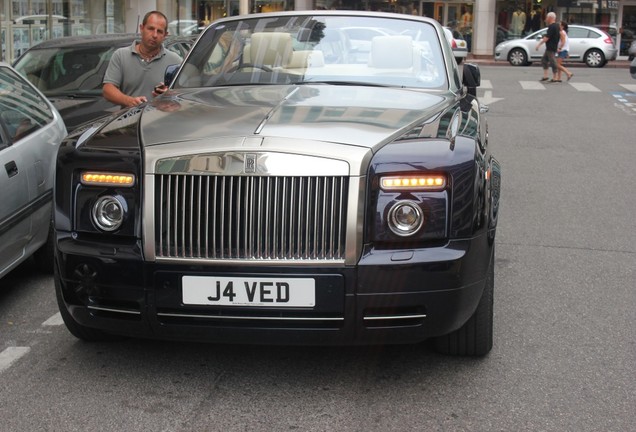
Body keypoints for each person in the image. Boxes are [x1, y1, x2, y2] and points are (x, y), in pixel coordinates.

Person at [103, 11, 182, 108]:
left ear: (165, 35)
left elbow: (185, 94)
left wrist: (169, 95)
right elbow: (108, 90)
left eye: (160, 31)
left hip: (160, 121)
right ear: (141, 28)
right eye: (151, 29)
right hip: (129, 120)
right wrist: (129, 101)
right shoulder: (121, 55)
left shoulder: (175, 61)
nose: (154, 35)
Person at [535, 12, 560, 83]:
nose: (545, 19)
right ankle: (545, 76)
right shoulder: (556, 26)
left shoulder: (552, 27)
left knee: (552, 61)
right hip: (550, 46)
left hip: (551, 47)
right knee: (544, 60)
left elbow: (547, 37)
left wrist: (539, 44)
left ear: (550, 18)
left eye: (546, 17)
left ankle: (555, 77)